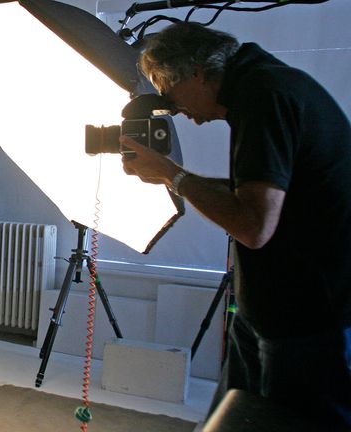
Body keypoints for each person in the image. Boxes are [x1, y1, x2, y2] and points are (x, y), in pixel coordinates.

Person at [120, 22, 351, 428]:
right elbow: (263, 194)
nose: (179, 113)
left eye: (170, 96)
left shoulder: (264, 96)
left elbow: (254, 226)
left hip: (306, 320)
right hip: (268, 312)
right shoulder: (264, 85)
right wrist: (169, 175)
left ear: (195, 71)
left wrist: (174, 176)